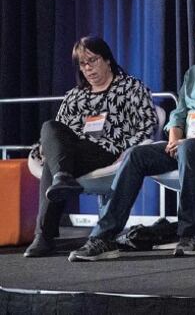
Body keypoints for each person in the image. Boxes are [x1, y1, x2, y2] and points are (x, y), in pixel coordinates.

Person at [69, 9, 195, 261]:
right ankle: (103, 237)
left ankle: (191, 233)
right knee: (138, 154)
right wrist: (174, 137)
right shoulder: (193, 74)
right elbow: (178, 114)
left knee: (189, 148)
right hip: (187, 144)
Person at [24, 36, 158, 258]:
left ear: (107, 59)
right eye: (82, 64)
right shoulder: (74, 96)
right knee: (49, 127)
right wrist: (41, 147)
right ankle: (62, 177)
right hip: (71, 152)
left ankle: (44, 236)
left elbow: (148, 126)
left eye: (92, 60)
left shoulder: (131, 88)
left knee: (55, 165)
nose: (88, 68)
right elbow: (57, 134)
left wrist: (127, 152)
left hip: (107, 151)